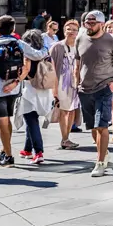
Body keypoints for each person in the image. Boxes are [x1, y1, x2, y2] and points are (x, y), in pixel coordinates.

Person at [0, 15, 43, 167]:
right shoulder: (19, 43)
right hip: (14, 89)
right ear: (13, 29)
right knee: (7, 119)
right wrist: (45, 46)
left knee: (2, 121)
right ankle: (4, 148)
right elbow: (37, 55)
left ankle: (8, 155)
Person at [75, 10, 113, 176]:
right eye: (87, 22)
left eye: (92, 22)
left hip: (104, 87)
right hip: (84, 88)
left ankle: (100, 162)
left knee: (101, 125)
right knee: (92, 127)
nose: (89, 25)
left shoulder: (111, 41)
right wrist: (76, 82)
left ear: (101, 24)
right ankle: (103, 152)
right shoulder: (80, 38)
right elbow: (77, 62)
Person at [17, 28, 53, 163]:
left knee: (31, 120)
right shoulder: (46, 53)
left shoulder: (27, 55)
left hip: (30, 90)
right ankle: (27, 149)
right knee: (32, 120)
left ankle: (38, 152)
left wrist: (16, 81)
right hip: (44, 90)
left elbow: (25, 71)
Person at [52, 19, 81, 149]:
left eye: (74, 30)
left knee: (73, 109)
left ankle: (67, 136)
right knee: (63, 110)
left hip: (75, 82)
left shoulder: (80, 47)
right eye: (69, 29)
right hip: (61, 82)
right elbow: (50, 67)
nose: (71, 32)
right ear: (64, 31)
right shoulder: (57, 47)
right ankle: (64, 138)